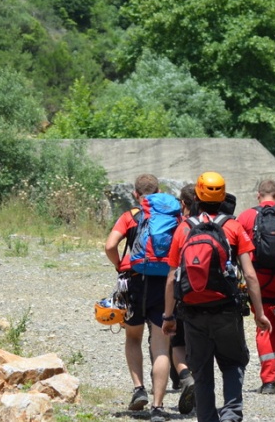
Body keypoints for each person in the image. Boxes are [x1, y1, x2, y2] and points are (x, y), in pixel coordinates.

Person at [163, 171, 272, 422]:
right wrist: (259, 313)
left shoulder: (183, 229)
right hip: (226, 310)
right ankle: (231, 414)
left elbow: (171, 278)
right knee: (233, 362)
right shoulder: (233, 227)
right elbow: (250, 275)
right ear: (223, 196)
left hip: (192, 311)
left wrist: (169, 316)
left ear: (198, 196)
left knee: (201, 371)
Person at [104, 174, 176, 422]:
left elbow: (110, 246)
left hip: (135, 282)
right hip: (163, 284)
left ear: (136, 193)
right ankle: (157, 406)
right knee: (161, 347)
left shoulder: (130, 216)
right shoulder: (171, 216)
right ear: (158, 192)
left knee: (133, 338)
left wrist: (119, 266)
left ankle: (138, 389)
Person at [237, 180, 275, 394]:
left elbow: (237, 250)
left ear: (258, 196)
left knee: (265, 327)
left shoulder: (246, 217)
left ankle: (269, 381)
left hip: (260, 281)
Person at [169, 184, 196, 415]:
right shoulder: (219, 224)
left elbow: (172, 271)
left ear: (183, 204)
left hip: (182, 294)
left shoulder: (182, 228)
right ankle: (201, 380)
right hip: (213, 298)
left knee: (177, 343)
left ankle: (186, 377)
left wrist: (168, 312)